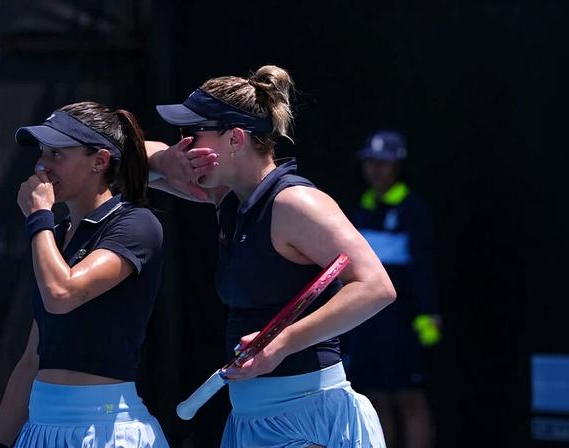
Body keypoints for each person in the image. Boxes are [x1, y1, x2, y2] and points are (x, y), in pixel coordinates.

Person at [145, 65, 396, 447]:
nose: (185, 144)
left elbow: (376, 287)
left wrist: (281, 344)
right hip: (250, 419)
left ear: (235, 138)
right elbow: (120, 161)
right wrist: (163, 162)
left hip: (310, 419)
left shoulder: (295, 203)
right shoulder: (227, 197)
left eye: (193, 134)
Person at [0, 102, 169, 448]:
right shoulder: (57, 234)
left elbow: (62, 295)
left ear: (99, 161)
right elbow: (32, 358)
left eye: (57, 154)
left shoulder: (136, 225)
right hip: (40, 428)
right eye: (42, 153)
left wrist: (39, 218)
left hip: (106, 429)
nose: (42, 165)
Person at [342, 130, 440, 448]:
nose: (375, 170)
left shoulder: (414, 210)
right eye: (370, 162)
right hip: (368, 321)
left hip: (405, 322)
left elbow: (425, 267)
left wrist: (428, 314)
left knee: (409, 398)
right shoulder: (359, 209)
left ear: (397, 166)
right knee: (376, 399)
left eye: (383, 163)